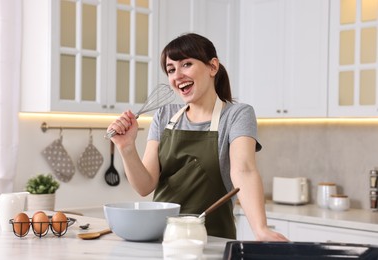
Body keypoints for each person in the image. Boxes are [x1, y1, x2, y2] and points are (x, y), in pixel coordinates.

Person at [107, 33, 288, 241]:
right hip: (161, 238)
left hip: (212, 239)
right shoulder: (164, 115)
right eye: (171, 69)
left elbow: (244, 170)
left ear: (213, 67)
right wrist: (126, 147)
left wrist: (261, 229)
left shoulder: (237, 115)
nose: (177, 75)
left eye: (186, 64)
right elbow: (145, 186)